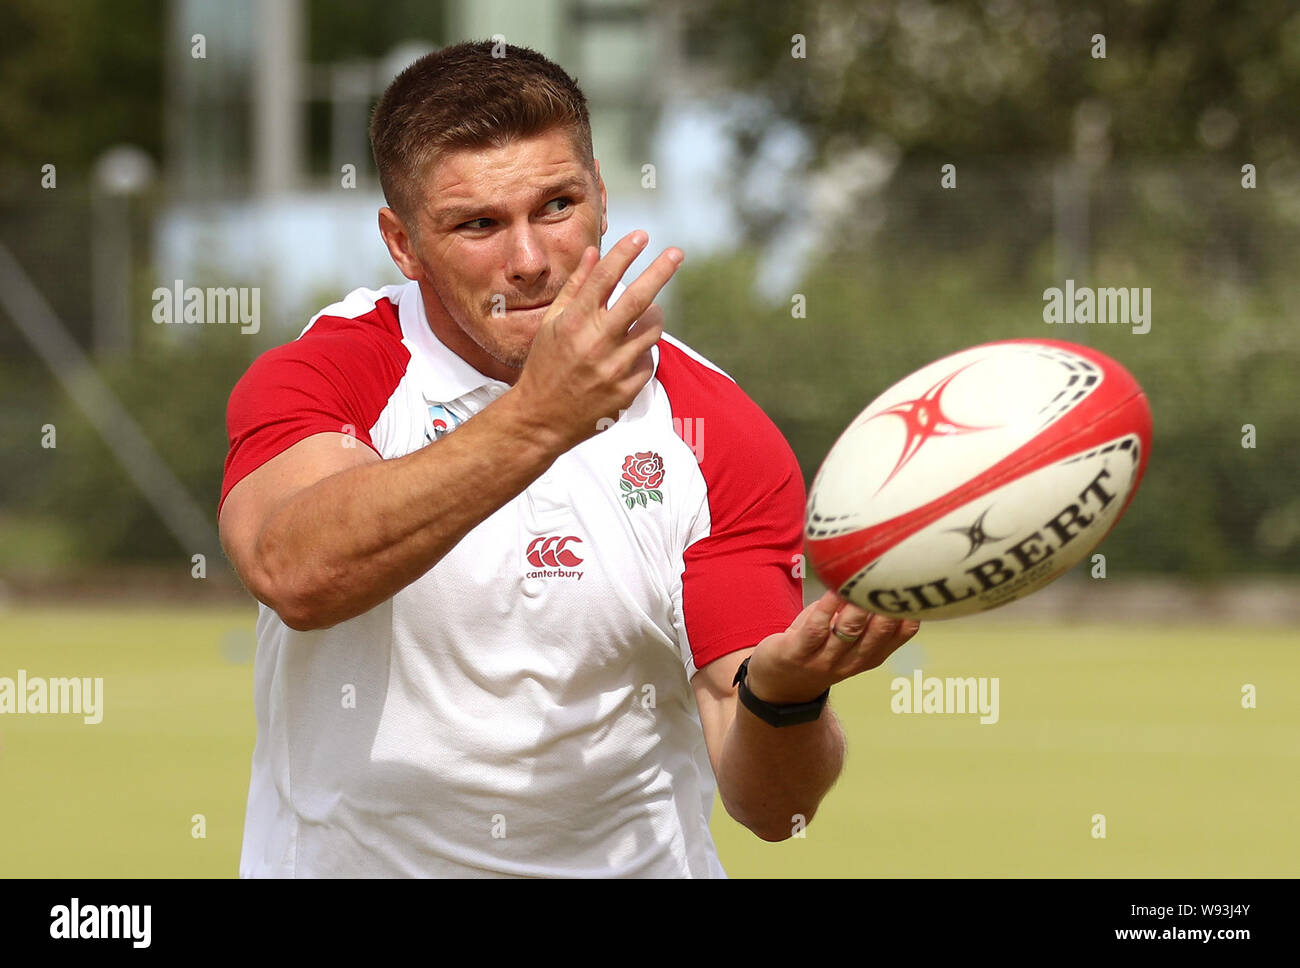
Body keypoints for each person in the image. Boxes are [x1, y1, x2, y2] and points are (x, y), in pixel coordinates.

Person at [218, 39, 918, 878]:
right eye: (478, 224)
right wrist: (539, 421)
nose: (529, 260)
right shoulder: (334, 370)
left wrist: (787, 698)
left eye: (556, 205)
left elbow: (776, 811)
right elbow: (295, 569)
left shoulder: (713, 430)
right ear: (402, 245)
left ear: (602, 198)